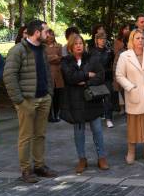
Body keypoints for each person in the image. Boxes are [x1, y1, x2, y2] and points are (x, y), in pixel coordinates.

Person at [3, 19, 57, 183]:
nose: (48, 34)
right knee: (26, 136)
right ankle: (26, 170)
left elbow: (47, 73)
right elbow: (9, 76)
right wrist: (19, 100)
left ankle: (39, 166)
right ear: (36, 32)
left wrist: (49, 93)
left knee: (40, 134)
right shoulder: (18, 50)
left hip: (43, 98)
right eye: (46, 31)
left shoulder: (41, 49)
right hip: (27, 100)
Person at [60, 33, 109, 174]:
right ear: (70, 46)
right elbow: (70, 78)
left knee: (98, 130)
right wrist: (88, 75)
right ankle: (82, 159)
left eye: (80, 43)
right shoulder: (66, 61)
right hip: (75, 102)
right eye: (75, 44)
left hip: (92, 100)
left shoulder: (92, 58)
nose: (79, 46)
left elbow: (101, 76)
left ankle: (102, 157)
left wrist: (85, 82)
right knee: (79, 132)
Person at [115, 29, 144, 164]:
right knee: (133, 127)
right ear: (132, 40)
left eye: (142, 38)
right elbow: (119, 75)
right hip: (133, 95)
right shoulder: (125, 56)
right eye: (137, 38)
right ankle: (131, 152)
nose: (140, 40)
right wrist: (130, 87)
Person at [89, 32, 116, 128]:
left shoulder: (109, 51)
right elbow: (89, 64)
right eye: (100, 39)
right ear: (96, 40)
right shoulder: (91, 51)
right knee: (97, 97)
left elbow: (113, 64)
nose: (103, 40)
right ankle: (96, 116)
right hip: (96, 77)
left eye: (104, 38)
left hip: (107, 77)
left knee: (108, 97)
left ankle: (109, 119)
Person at [45, 29, 64, 123]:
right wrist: (54, 57)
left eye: (52, 35)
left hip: (57, 75)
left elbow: (60, 58)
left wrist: (51, 58)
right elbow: (44, 59)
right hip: (47, 74)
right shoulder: (42, 47)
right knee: (49, 97)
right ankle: (49, 115)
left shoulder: (59, 46)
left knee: (57, 97)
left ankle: (57, 114)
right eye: (48, 35)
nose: (50, 37)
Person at [113, 24, 131, 111]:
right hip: (124, 77)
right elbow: (116, 66)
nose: (127, 30)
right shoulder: (120, 51)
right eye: (125, 29)